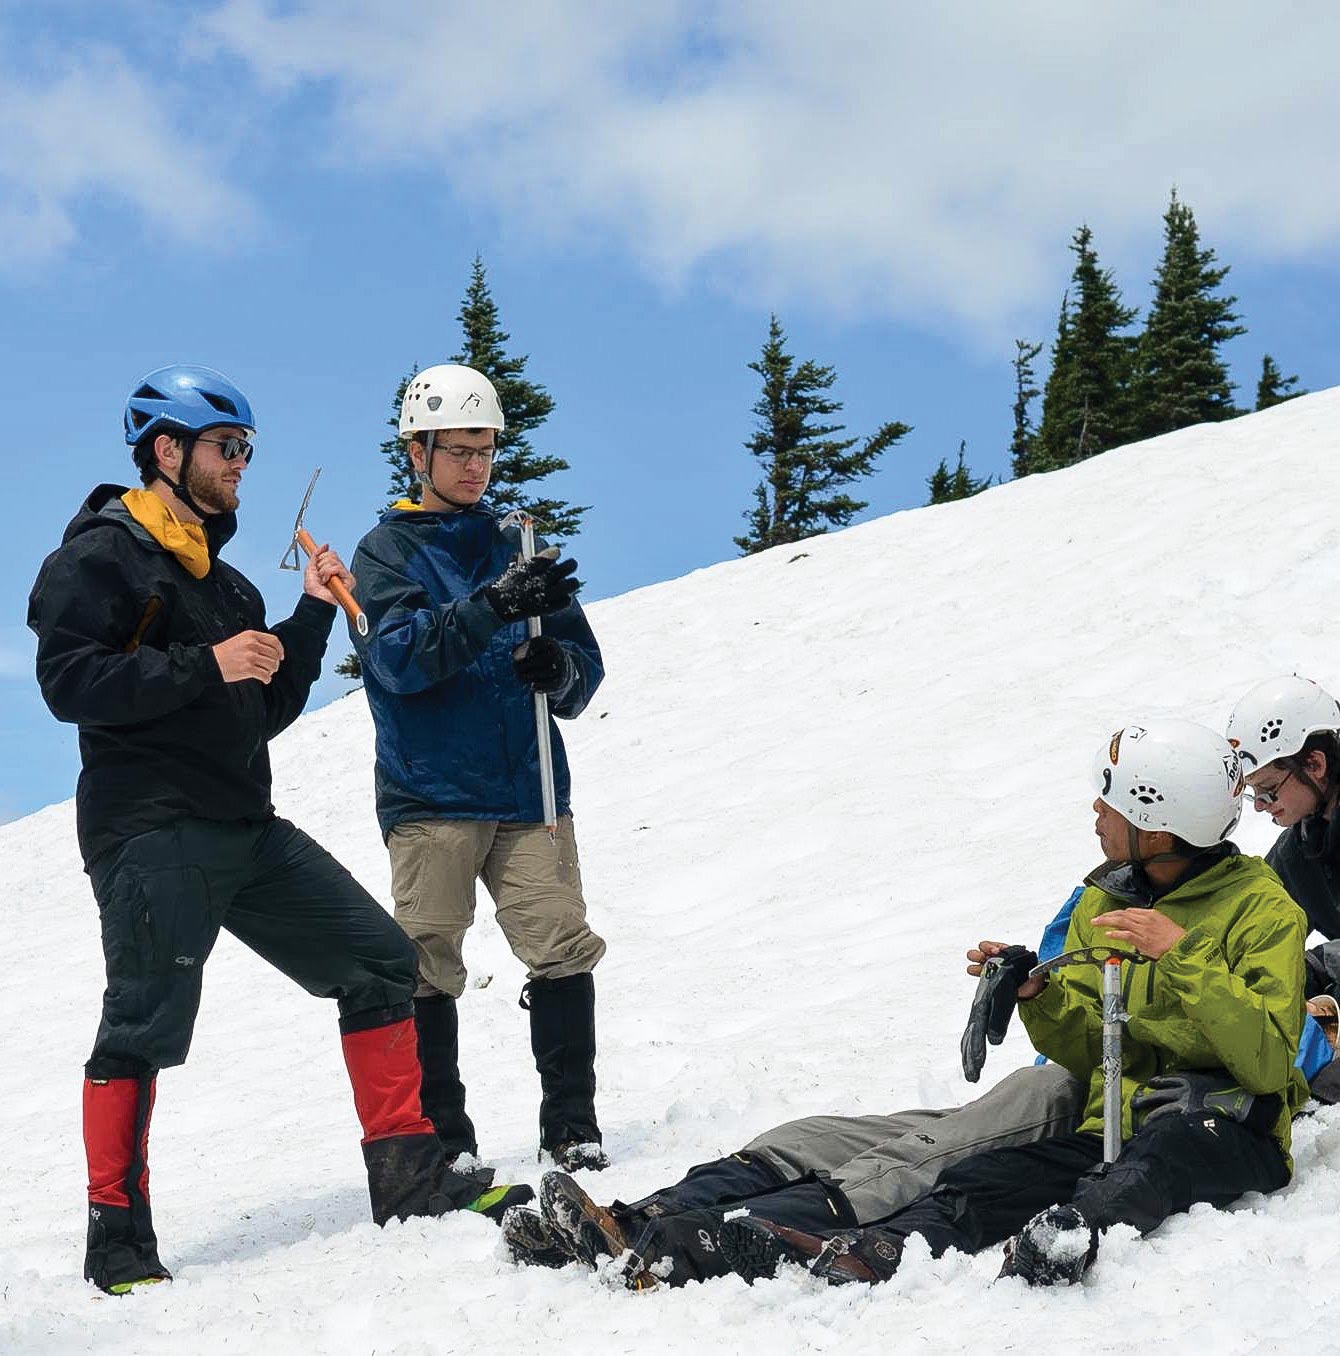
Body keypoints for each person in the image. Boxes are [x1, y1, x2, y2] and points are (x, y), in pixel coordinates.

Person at [27, 364, 529, 1296]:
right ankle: (118, 1241)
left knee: (379, 959)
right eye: (227, 447)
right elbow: (69, 684)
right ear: (165, 450)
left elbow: (265, 709)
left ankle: (410, 1181)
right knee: (143, 1022)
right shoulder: (99, 559)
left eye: (247, 449)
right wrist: (203, 665)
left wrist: (312, 609)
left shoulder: (226, 587)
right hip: (150, 828)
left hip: (247, 827)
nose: (241, 464)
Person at [507, 719, 1309, 1290]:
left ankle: (695, 1241)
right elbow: (1097, 1049)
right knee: (847, 1139)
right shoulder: (1108, 898)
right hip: (1105, 1114)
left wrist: (1183, 955)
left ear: (1158, 826)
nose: (1095, 817)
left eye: (1112, 806)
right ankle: (649, 1217)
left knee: (972, 1167)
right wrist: (1037, 995)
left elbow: (1271, 1061)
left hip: (1205, 1123)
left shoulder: (1261, 907)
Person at [349, 363, 609, 1173]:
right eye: (458, 450)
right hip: (432, 793)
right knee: (428, 961)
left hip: (529, 789)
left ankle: (572, 1126)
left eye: (485, 450)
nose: (475, 466)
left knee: (562, 944)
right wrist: (493, 606)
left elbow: (585, 670)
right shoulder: (385, 553)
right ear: (417, 453)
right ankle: (444, 1142)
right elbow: (398, 659)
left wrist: (559, 669)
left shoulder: (516, 543)